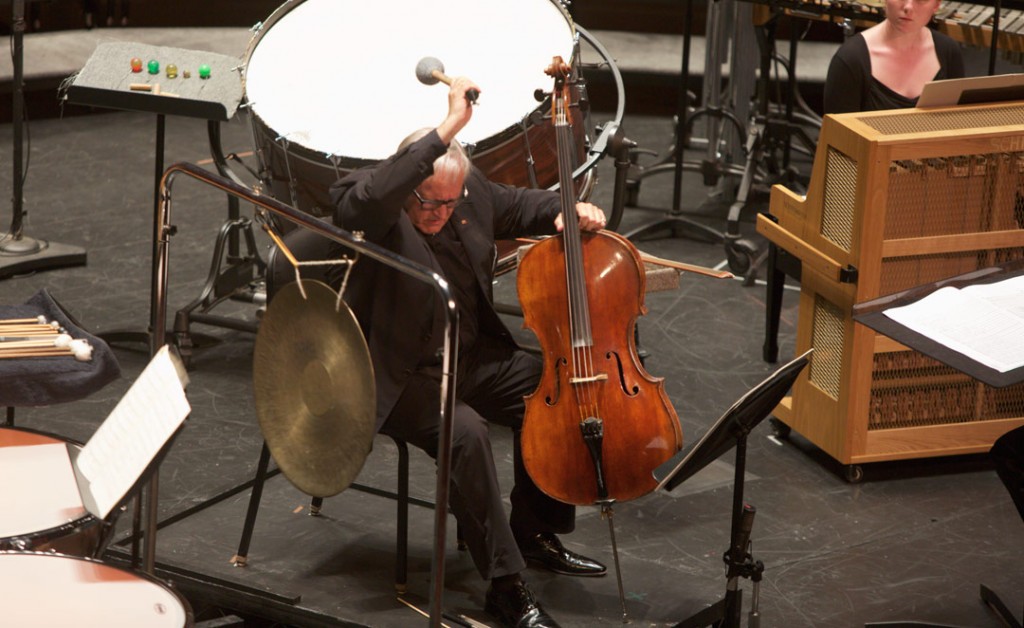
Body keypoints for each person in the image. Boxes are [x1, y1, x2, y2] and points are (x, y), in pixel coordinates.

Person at [328, 76, 608, 628]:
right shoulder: (371, 200)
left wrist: (564, 210)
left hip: (470, 359)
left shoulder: (466, 193)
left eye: (449, 203)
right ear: (409, 179)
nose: (438, 213)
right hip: (403, 376)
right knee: (467, 432)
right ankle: (506, 588)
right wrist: (447, 127)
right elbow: (369, 200)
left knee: (550, 386)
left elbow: (519, 203)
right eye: (428, 203)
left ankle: (531, 530)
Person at [823, 0, 964, 114]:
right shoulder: (850, 59)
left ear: (936, 5)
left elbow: (955, 128)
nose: (908, 6)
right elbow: (839, 142)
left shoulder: (949, 52)